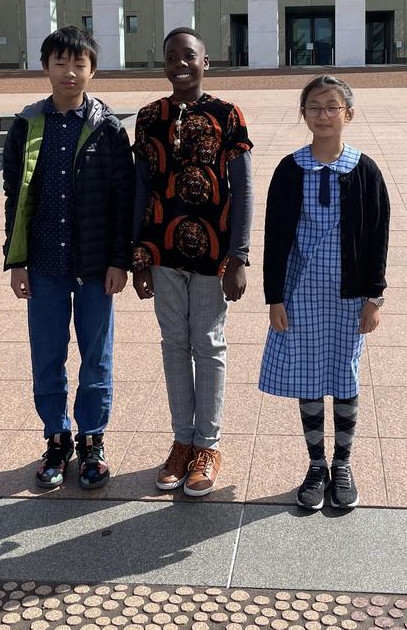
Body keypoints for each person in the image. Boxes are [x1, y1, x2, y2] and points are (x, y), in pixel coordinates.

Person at [3, 26, 134, 491]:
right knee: (48, 354)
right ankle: (56, 437)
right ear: (46, 68)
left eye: (79, 64)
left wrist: (121, 260)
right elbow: (14, 198)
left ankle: (93, 438)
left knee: (96, 357)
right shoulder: (26, 125)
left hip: (97, 266)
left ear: (92, 71)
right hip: (43, 263)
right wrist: (16, 260)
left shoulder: (108, 128)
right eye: (60, 63)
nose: (70, 73)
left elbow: (124, 199)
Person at [259, 75, 390, 511]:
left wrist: (375, 296)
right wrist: (274, 296)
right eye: (314, 107)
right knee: (309, 375)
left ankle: (343, 464)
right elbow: (274, 237)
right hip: (301, 292)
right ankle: (317, 464)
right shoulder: (289, 169)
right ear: (303, 114)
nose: (323, 115)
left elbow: (377, 237)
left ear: (348, 114)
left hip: (349, 294)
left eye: (333, 107)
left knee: (345, 376)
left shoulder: (364, 170)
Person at [132, 27, 253, 497]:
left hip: (213, 254)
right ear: (162, 63)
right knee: (173, 343)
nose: (180, 63)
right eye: (171, 56)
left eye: (190, 55)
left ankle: (209, 445)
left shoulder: (228, 116)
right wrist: (138, 255)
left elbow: (242, 190)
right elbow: (141, 188)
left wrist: (239, 256)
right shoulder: (148, 117)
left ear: (207, 62)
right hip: (162, 251)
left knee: (208, 342)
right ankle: (182, 441)